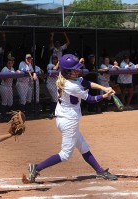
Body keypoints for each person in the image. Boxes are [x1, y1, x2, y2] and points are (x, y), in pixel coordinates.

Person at [28, 54, 118, 183]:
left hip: (65, 118)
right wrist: (105, 95)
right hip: (69, 121)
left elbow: (87, 82)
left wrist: (104, 88)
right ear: (67, 71)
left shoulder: (66, 78)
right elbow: (91, 99)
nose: (77, 71)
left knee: (84, 147)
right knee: (65, 155)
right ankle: (36, 168)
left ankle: (100, 171)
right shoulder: (71, 86)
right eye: (74, 70)